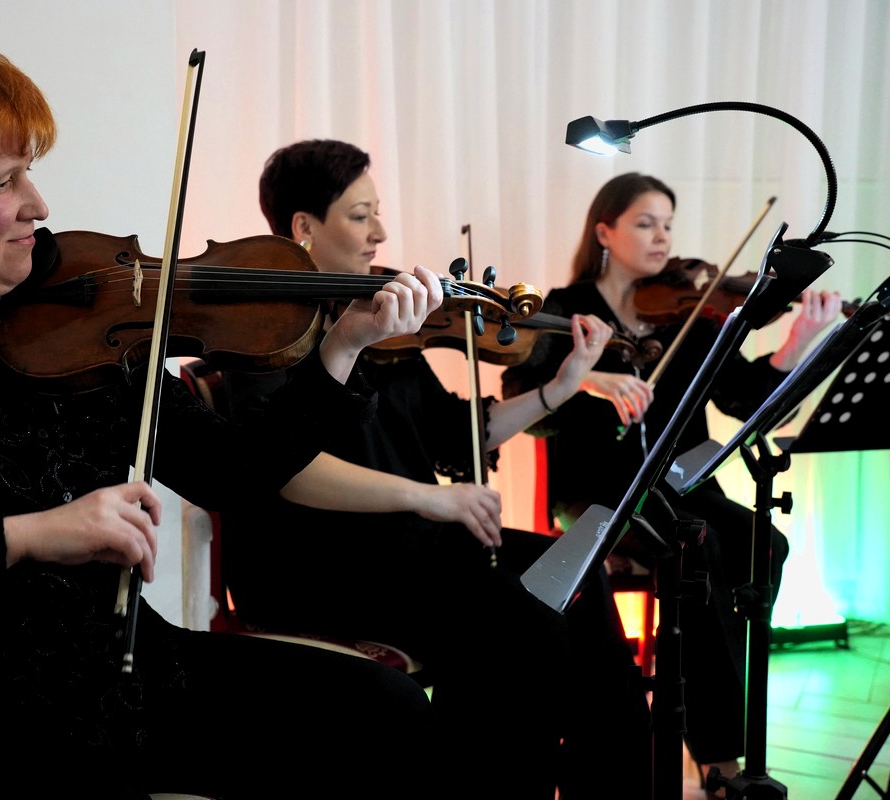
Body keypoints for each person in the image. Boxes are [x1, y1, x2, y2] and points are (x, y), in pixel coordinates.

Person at [0, 36, 479, 800]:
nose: (38, 206)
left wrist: (341, 347)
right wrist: (25, 536)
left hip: (117, 680)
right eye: (2, 181)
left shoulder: (79, 323)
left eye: (30, 171)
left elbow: (233, 475)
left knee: (386, 714)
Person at [211, 138, 654, 799]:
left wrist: (559, 389)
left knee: (577, 580)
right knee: (523, 626)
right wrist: (430, 498)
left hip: (413, 547)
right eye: (360, 215)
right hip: (324, 565)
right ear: (304, 226)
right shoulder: (260, 335)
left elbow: (459, 434)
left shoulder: (383, 317)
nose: (380, 233)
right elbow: (287, 469)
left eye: (376, 213)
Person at [500, 171, 843, 792]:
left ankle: (706, 694)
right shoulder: (566, 307)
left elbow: (743, 399)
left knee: (766, 545)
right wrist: (586, 378)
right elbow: (523, 399)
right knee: (697, 550)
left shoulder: (691, 307)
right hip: (600, 492)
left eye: (667, 224)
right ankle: (719, 755)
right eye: (644, 223)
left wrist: (796, 344)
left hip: (684, 484)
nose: (661, 237)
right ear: (605, 232)